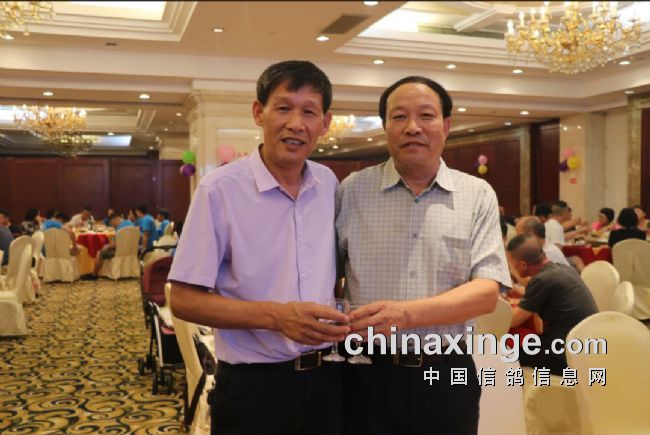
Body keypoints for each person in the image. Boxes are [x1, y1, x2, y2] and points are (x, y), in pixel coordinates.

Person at [168, 60, 347, 435]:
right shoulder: (220, 190)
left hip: (328, 381)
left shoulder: (328, 184)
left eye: (309, 112)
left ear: (325, 123)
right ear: (258, 112)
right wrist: (277, 317)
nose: (296, 123)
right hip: (253, 388)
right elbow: (183, 300)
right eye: (283, 108)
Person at [336, 76, 511, 435]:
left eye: (426, 116)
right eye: (399, 116)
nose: (412, 127)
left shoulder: (477, 194)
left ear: (446, 125)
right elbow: (327, 275)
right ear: (385, 126)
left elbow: (486, 292)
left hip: (446, 371)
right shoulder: (352, 190)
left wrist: (404, 315)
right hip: (364, 371)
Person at [507, 234, 597, 375]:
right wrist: (517, 290)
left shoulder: (542, 280)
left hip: (566, 356)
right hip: (588, 347)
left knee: (507, 353)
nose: (512, 268)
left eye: (512, 264)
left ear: (523, 265)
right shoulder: (561, 268)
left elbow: (513, 320)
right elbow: (539, 294)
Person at [88, 213, 135, 278]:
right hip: (132, 251)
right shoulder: (131, 223)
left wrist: (107, 246)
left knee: (99, 253)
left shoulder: (120, 228)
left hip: (120, 252)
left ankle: (94, 274)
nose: (112, 226)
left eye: (111, 223)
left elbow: (117, 244)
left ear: (114, 220)